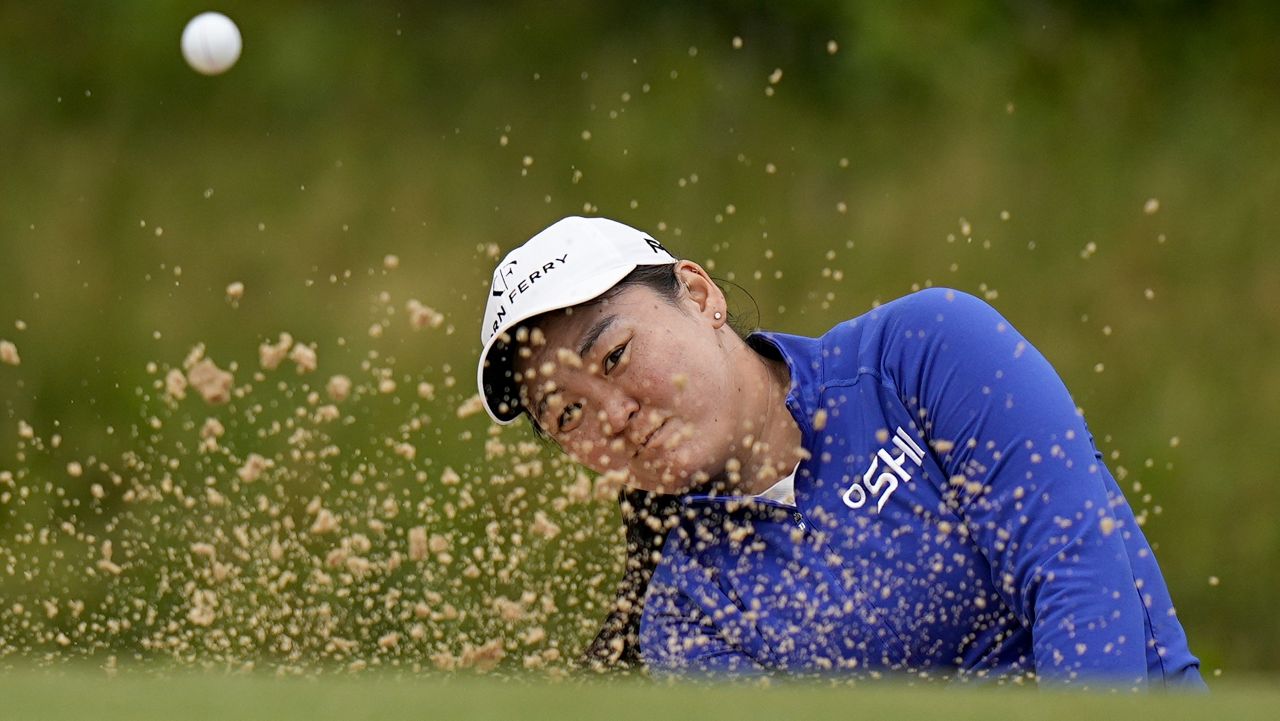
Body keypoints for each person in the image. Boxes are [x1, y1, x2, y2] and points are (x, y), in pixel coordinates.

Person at [476, 216, 1205, 689]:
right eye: (567, 413)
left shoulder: (923, 353)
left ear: (698, 296)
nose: (616, 415)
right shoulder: (691, 617)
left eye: (613, 356)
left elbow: (1079, 575)